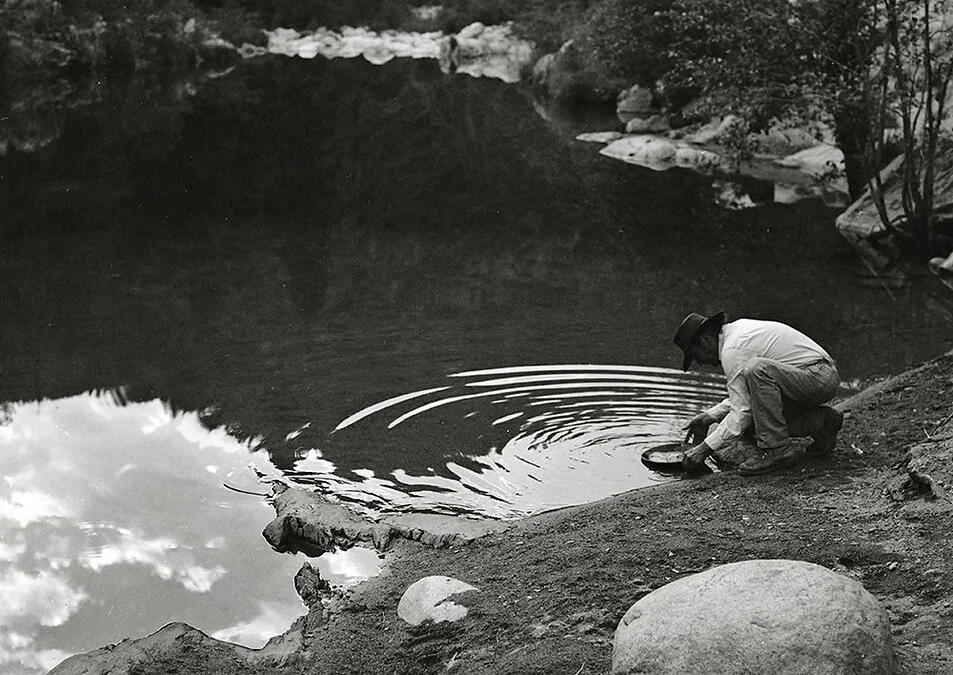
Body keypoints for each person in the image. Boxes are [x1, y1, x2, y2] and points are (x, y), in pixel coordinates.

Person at [672, 311, 844, 475]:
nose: (700, 363)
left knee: (757, 370)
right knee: (755, 421)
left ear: (705, 340)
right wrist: (709, 417)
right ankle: (823, 422)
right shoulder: (735, 333)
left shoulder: (732, 349)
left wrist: (703, 449)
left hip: (817, 377)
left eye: (695, 356)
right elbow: (748, 399)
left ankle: (777, 450)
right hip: (814, 377)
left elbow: (741, 411)